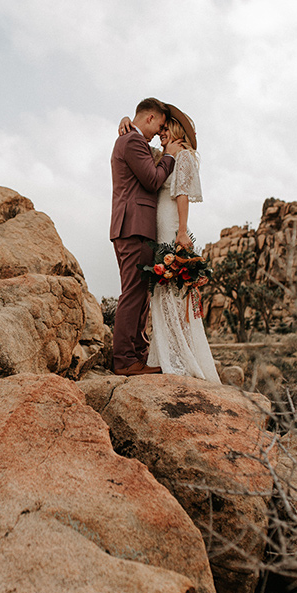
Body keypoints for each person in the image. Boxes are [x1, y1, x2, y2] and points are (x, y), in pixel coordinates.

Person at [118, 104, 220, 383]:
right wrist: (127, 120)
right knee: (155, 290)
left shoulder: (181, 156)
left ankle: (179, 353)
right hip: (154, 226)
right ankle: (161, 354)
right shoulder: (162, 154)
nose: (160, 133)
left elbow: (182, 195)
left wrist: (183, 231)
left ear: (176, 130)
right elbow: (138, 150)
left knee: (170, 289)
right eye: (159, 127)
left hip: (171, 226)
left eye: (165, 129)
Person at [110, 97, 183, 376]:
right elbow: (152, 179)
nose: (158, 133)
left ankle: (136, 354)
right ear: (150, 118)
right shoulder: (132, 142)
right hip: (134, 227)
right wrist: (170, 157)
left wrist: (125, 121)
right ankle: (124, 360)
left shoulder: (132, 139)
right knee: (133, 293)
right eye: (159, 125)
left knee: (140, 294)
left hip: (134, 227)